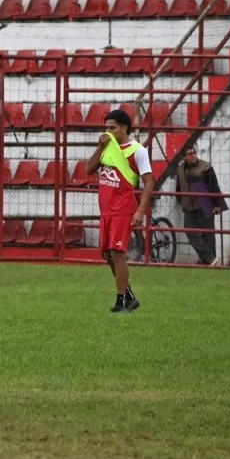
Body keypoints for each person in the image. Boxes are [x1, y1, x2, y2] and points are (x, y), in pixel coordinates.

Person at [85, 109, 154, 313]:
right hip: (106, 210)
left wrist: (140, 211)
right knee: (107, 254)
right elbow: (89, 169)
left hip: (123, 209)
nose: (108, 131)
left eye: (112, 127)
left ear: (124, 128)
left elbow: (149, 182)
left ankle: (121, 301)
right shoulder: (107, 147)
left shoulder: (137, 150)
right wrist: (100, 146)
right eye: (106, 127)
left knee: (117, 252)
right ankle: (128, 295)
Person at [176, 146, 228, 265]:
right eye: (190, 153)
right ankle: (208, 258)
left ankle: (210, 259)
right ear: (184, 157)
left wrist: (218, 204)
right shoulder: (180, 169)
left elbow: (214, 186)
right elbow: (179, 187)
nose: (193, 155)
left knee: (208, 235)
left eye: (194, 152)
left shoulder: (205, 167)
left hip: (205, 201)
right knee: (190, 231)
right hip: (189, 204)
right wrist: (181, 200)